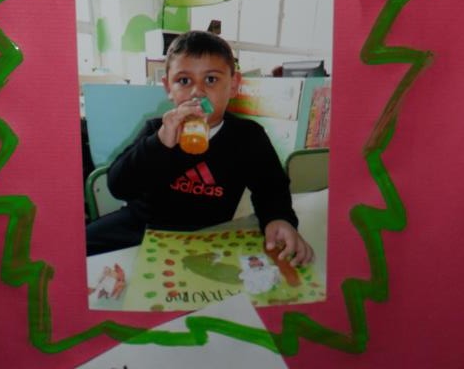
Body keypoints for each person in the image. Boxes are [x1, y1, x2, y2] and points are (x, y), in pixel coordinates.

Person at [86, 30, 313, 266]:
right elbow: (118, 186)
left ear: (233, 85)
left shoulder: (248, 137)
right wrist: (159, 143)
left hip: (207, 236)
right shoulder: (157, 130)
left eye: (211, 79)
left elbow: (272, 189)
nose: (197, 92)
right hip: (143, 226)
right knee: (77, 246)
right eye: (184, 81)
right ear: (168, 87)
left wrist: (279, 219)